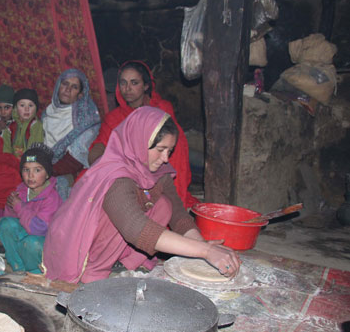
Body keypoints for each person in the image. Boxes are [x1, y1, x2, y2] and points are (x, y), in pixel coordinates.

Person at [42, 107, 241, 284]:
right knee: (120, 216)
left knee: (164, 204)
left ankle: (124, 263)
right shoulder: (115, 175)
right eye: (160, 150)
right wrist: (205, 252)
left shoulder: (153, 168)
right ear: (139, 140)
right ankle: (93, 272)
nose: (165, 159)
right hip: (77, 246)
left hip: (114, 238)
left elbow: (179, 216)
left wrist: (202, 246)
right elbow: (135, 228)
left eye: (169, 151)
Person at [88, 60, 198, 208]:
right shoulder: (114, 118)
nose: (127, 88)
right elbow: (98, 148)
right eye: (123, 83)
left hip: (158, 169)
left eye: (134, 83)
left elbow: (173, 146)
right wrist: (112, 166)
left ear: (146, 85)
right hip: (126, 173)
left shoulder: (161, 109)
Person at [0, 144, 62, 273]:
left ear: (47, 174)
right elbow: (13, 219)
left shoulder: (52, 198)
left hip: (44, 244)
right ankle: (17, 268)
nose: (30, 175)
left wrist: (18, 207)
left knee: (31, 243)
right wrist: (10, 209)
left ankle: (35, 272)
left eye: (37, 170)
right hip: (26, 237)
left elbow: (38, 229)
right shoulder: (21, 191)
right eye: (26, 170)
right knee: (5, 224)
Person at [42, 68, 101, 199]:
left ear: (80, 94)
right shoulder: (47, 113)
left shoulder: (86, 119)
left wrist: (45, 172)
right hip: (43, 169)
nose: (67, 89)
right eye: (65, 84)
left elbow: (75, 159)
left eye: (74, 87)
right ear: (58, 86)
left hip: (71, 174)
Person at [2, 89, 44, 158]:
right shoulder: (10, 128)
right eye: (22, 105)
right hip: (13, 163)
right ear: (15, 108)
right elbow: (6, 151)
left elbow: (35, 152)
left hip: (31, 162)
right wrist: (9, 162)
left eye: (30, 105)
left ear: (36, 108)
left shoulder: (36, 126)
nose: (27, 109)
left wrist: (24, 163)